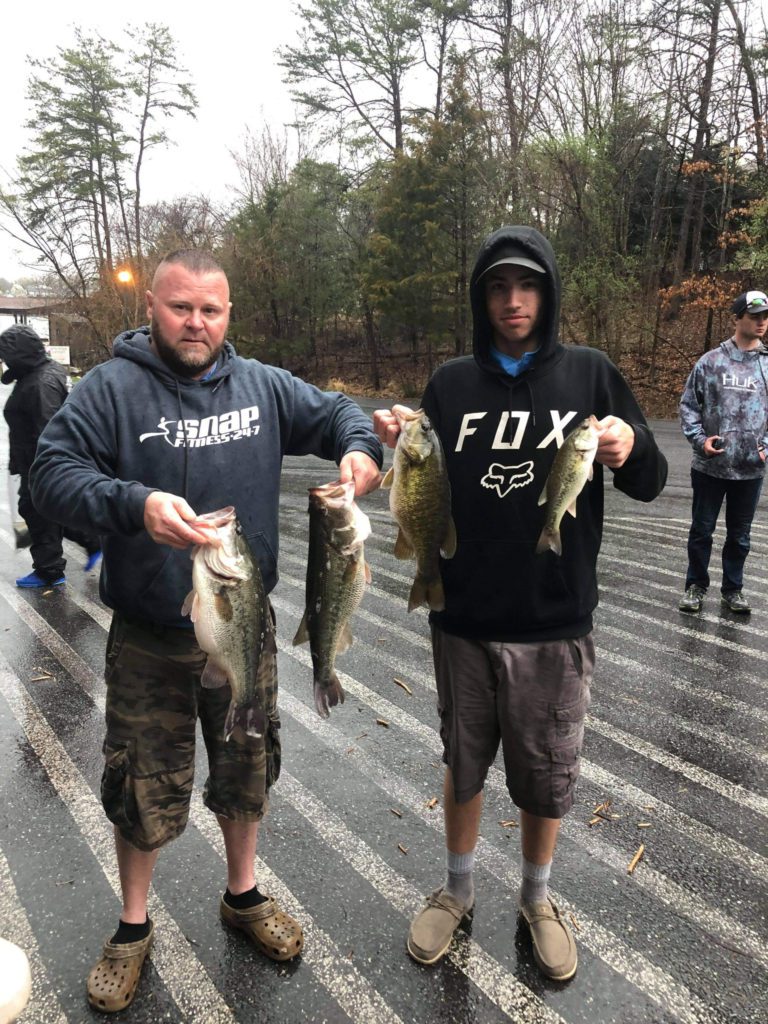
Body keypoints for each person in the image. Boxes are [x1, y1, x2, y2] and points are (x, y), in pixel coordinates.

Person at [29, 250, 383, 1013]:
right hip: (152, 634)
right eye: (181, 307)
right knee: (139, 780)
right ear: (152, 305)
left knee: (245, 770)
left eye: (212, 310)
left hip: (244, 624)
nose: (197, 323)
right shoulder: (111, 391)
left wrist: (360, 450)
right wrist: (134, 504)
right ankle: (132, 926)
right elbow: (49, 474)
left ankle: (243, 894)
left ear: (230, 315)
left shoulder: (261, 386)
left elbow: (340, 411)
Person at [374, 226, 667, 981]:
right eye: (499, 287)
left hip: (554, 618)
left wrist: (630, 447)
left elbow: (652, 480)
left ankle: (538, 898)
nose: (513, 300)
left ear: (548, 293)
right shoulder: (450, 384)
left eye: (527, 286)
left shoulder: (592, 375)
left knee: (545, 773)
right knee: (463, 765)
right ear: (482, 297)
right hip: (462, 616)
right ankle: (458, 887)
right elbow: (417, 477)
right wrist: (392, 438)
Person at [678, 290, 768, 615]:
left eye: (765, 316)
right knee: (702, 530)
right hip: (710, 467)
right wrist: (699, 439)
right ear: (737, 317)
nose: (761, 321)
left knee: (740, 537)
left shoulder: (767, 366)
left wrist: (764, 448)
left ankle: (733, 589)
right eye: (754, 314)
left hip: (749, 470)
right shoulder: (711, 362)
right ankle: (695, 586)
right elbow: (688, 405)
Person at [0, 325, 101, 586]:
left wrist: (45, 470)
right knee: (49, 510)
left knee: (37, 512)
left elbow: (48, 429)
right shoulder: (41, 373)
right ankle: (90, 543)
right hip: (34, 461)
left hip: (40, 464)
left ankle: (49, 570)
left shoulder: (40, 382)